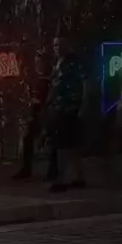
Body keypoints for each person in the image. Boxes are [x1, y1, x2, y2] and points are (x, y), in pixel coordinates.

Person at [46, 34, 87, 192]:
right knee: (72, 144)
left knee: (63, 144)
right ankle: (79, 177)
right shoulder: (59, 62)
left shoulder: (73, 62)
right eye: (55, 45)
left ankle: (61, 179)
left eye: (60, 44)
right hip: (62, 106)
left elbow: (84, 83)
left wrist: (83, 106)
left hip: (69, 107)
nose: (57, 48)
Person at [14, 52, 57, 180]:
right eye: (36, 63)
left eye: (40, 63)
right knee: (29, 139)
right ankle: (27, 169)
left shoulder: (51, 79)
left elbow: (50, 97)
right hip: (37, 112)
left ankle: (53, 171)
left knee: (51, 141)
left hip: (47, 112)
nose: (38, 65)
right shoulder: (38, 78)